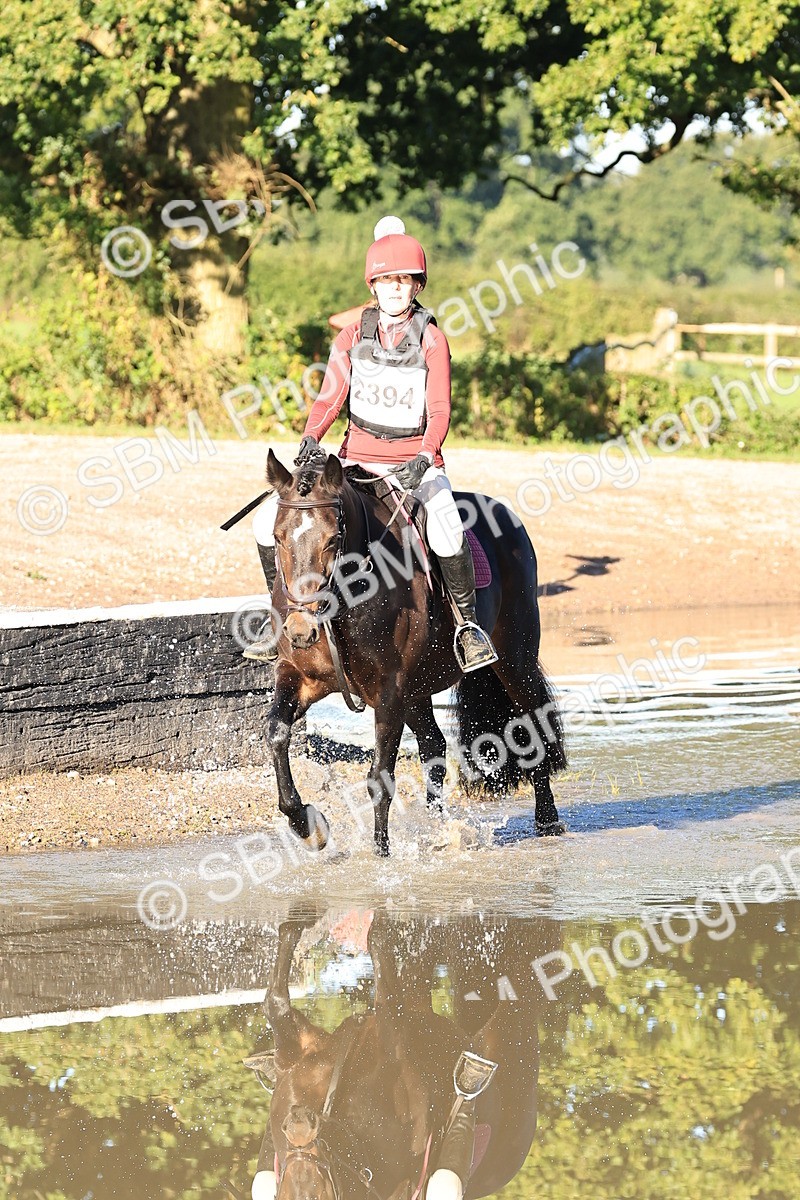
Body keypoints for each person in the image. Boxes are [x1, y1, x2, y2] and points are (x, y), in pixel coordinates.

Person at [245, 216, 498, 673]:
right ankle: (278, 613)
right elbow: (329, 397)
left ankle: (467, 627)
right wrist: (310, 437)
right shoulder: (350, 337)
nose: (395, 290)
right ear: (374, 286)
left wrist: (425, 456)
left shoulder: (432, 340)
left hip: (414, 465)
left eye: (403, 281)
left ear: (416, 286)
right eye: (386, 281)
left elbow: (439, 409)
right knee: (267, 523)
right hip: (355, 459)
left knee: (445, 529)